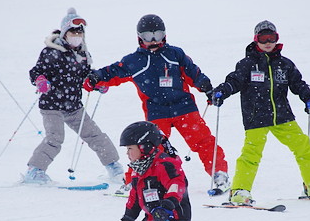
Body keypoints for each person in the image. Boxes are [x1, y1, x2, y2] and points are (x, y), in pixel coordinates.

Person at [83, 14, 229, 193]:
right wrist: (96, 78)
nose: (153, 41)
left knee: (203, 141)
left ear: (165, 35)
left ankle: (219, 173)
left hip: (184, 108)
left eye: (158, 35)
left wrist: (207, 88)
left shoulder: (175, 54)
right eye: (148, 37)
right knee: (148, 147)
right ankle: (133, 182)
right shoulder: (134, 61)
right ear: (139, 38)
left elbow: (193, 73)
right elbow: (112, 72)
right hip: (157, 112)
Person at [210, 20, 310, 206]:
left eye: (272, 38)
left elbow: (298, 84)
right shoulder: (247, 64)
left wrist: (308, 97)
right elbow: (234, 81)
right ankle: (239, 191)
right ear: (256, 40)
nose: (268, 42)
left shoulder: (284, 65)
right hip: (256, 118)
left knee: (304, 148)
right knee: (251, 155)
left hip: (283, 117)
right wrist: (222, 91)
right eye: (263, 38)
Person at [23, 8, 124, 185]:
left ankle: (113, 166)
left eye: (80, 33)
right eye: (73, 32)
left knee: (95, 135)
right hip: (52, 105)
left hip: (73, 106)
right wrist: (40, 81)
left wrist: (97, 83)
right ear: (64, 33)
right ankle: (35, 171)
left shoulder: (83, 55)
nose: (77, 36)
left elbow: (85, 76)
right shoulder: (51, 52)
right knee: (55, 138)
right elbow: (36, 71)